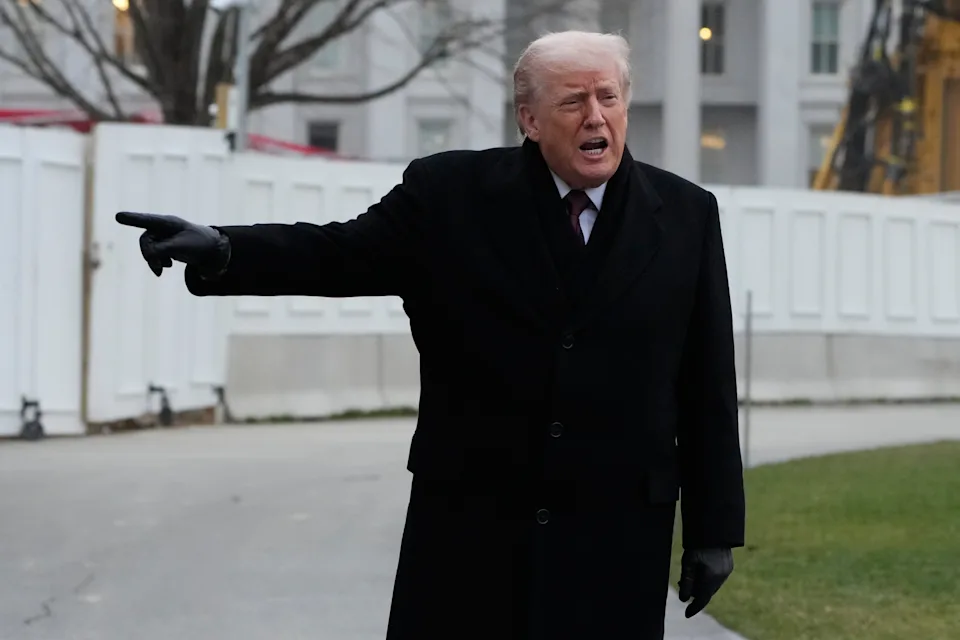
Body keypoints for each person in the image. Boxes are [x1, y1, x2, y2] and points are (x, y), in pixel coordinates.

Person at [117, 29, 745, 640]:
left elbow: (706, 383)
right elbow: (340, 253)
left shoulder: (686, 215)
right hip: (471, 532)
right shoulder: (451, 196)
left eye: (608, 97)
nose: (595, 117)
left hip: (615, 539)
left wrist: (714, 530)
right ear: (528, 119)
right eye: (572, 101)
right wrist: (225, 250)